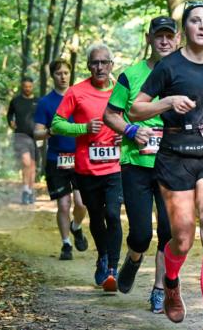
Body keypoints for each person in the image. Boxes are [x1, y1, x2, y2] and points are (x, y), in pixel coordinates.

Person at [129, 0, 203, 330]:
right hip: (175, 156)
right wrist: (167, 103)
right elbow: (136, 108)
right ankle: (172, 280)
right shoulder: (168, 65)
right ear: (186, 28)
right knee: (182, 239)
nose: (202, 26)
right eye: (196, 21)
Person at [103, 16, 178, 312]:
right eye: (158, 36)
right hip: (136, 164)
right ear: (148, 38)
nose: (164, 41)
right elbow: (110, 115)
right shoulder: (129, 76)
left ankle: (160, 287)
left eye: (169, 36)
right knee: (141, 234)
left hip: (173, 164)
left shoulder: (184, 75)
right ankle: (134, 258)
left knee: (169, 231)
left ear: (178, 40)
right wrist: (133, 131)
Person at [51, 45, 121, 291]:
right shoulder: (76, 92)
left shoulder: (121, 92)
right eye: (95, 63)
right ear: (88, 66)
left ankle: (113, 268)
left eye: (104, 62)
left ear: (111, 64)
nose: (100, 67)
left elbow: (134, 119)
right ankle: (102, 257)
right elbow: (57, 124)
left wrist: (126, 135)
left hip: (115, 167)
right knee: (97, 216)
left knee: (113, 214)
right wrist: (82, 128)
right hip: (87, 168)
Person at [34, 58, 89, 260]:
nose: (63, 77)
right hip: (57, 159)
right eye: (59, 73)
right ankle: (66, 244)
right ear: (52, 76)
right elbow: (37, 132)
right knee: (64, 204)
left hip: (81, 157)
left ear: (70, 74)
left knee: (82, 204)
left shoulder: (80, 97)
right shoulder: (45, 103)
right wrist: (51, 130)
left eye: (66, 73)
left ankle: (76, 226)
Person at [7, 76, 38, 204]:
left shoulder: (38, 101)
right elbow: (9, 114)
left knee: (32, 165)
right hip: (20, 135)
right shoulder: (16, 101)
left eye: (30, 87)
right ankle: (25, 190)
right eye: (25, 87)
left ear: (32, 87)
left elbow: (45, 116)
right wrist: (11, 122)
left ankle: (30, 192)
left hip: (36, 136)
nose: (27, 89)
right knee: (25, 163)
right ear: (22, 87)